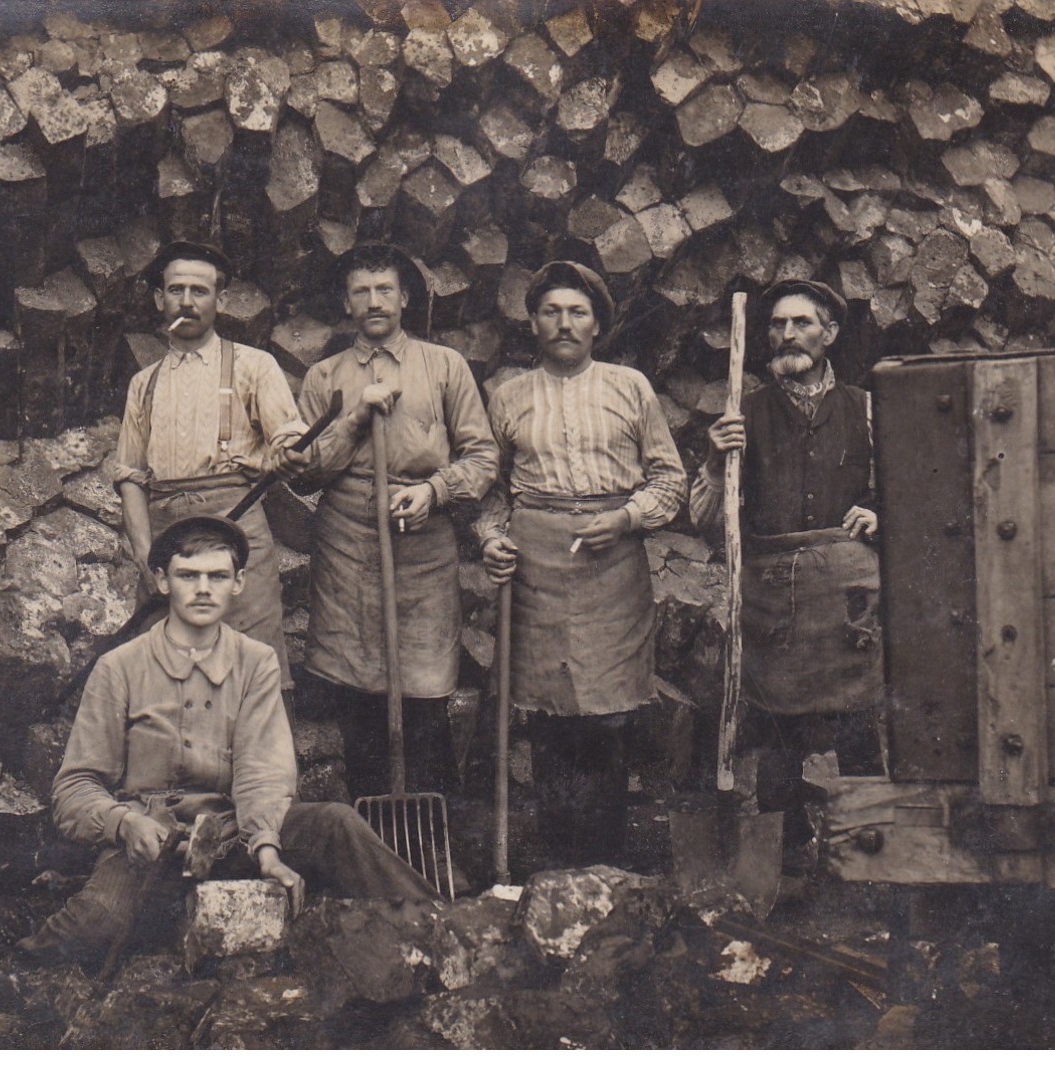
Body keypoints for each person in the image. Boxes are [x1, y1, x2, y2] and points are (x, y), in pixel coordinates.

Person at [17, 516, 436, 963]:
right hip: (148, 844)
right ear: (162, 581)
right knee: (97, 921)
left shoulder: (255, 662)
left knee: (336, 823)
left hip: (233, 834)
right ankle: (7, 980)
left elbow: (263, 771)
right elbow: (73, 788)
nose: (203, 589)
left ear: (238, 583)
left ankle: (441, 927)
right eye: (188, 575)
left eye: (218, 577)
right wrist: (124, 823)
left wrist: (268, 848)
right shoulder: (119, 668)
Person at [475, 262, 688, 866]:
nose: (564, 324)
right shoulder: (508, 395)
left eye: (577, 312)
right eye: (551, 311)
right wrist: (492, 538)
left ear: (597, 324)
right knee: (549, 718)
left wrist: (625, 519)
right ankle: (556, 858)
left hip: (613, 559)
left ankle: (607, 860)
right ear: (533, 322)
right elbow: (493, 490)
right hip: (537, 561)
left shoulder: (630, 388)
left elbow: (670, 481)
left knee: (608, 714)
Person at [290, 243, 497, 798]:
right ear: (346, 303)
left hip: (423, 544)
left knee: (425, 689)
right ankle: (373, 838)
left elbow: (482, 459)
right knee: (360, 693)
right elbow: (306, 471)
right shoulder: (324, 377)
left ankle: (430, 843)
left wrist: (434, 491)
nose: (374, 301)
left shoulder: (444, 366)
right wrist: (355, 419)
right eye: (362, 291)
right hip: (347, 546)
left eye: (385, 289)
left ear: (405, 297)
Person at [690, 279, 884, 866]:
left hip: (849, 596)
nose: (786, 335)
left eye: (801, 323)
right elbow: (703, 518)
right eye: (776, 324)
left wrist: (882, 511)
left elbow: (908, 488)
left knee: (857, 730)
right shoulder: (742, 414)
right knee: (778, 733)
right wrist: (714, 458)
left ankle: (871, 854)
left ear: (829, 334)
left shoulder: (865, 408)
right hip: (772, 596)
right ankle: (790, 859)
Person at [109, 241, 306, 686]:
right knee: (166, 675)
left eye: (200, 291)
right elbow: (131, 479)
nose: (186, 301)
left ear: (220, 300)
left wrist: (289, 451)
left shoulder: (255, 366)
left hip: (237, 530)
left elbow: (289, 437)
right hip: (166, 537)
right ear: (159, 299)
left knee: (252, 670)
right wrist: (145, 558)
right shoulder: (144, 384)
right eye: (175, 289)